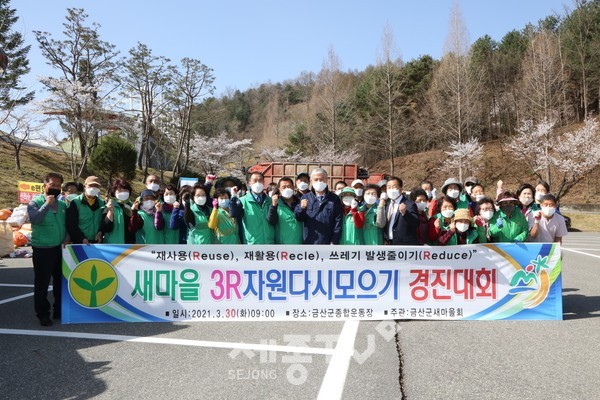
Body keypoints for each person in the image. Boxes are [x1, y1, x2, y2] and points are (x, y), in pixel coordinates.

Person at [27, 172, 69, 326]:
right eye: (52, 184)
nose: (55, 188)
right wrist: (47, 204)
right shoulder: (35, 202)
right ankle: (43, 314)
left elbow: (66, 225)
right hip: (43, 249)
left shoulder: (63, 204)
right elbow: (35, 219)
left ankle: (58, 309)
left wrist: (66, 237)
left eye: (58, 185)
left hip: (59, 249)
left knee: (60, 282)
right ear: (44, 185)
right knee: (42, 283)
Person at [294, 167, 343, 244]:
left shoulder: (334, 198)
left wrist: (334, 240)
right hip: (310, 242)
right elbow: (298, 217)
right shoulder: (305, 197)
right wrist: (302, 208)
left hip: (328, 242)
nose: (319, 182)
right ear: (311, 181)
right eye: (316, 180)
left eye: (321, 179)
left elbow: (338, 221)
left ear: (326, 181)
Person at [230, 172, 275, 244]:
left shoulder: (270, 201)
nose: (258, 183)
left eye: (260, 180)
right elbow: (233, 214)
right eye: (255, 181)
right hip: (252, 244)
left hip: (269, 243)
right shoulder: (243, 201)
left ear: (264, 182)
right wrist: (233, 197)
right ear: (249, 183)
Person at [66, 176, 105, 244]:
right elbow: (71, 224)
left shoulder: (102, 203)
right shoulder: (75, 202)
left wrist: (100, 233)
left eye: (96, 186)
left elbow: (103, 222)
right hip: (80, 242)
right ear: (84, 186)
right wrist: (81, 238)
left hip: (97, 242)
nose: (93, 188)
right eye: (90, 185)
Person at [382, 176, 419, 245]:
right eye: (389, 187)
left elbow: (415, 223)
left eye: (394, 187)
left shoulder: (409, 204)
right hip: (388, 243)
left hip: (403, 245)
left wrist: (405, 213)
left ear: (401, 189)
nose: (391, 189)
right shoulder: (386, 204)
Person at [267, 177, 303, 244]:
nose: (287, 189)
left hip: (299, 244)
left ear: (293, 187)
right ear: (279, 189)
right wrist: (274, 206)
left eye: (289, 186)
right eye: (284, 187)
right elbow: (271, 221)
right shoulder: (276, 203)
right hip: (282, 245)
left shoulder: (300, 202)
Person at [101, 178, 135, 244]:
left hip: (131, 247)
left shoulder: (133, 207)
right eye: (119, 191)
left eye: (125, 190)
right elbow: (106, 228)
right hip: (113, 246)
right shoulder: (109, 206)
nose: (123, 192)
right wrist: (110, 211)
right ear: (114, 193)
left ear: (129, 192)